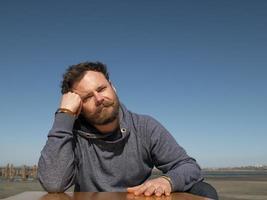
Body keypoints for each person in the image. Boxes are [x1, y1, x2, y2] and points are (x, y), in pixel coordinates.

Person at [38, 61, 218, 199]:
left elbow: (189, 167)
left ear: (113, 87)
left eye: (101, 89)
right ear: (78, 107)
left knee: (204, 190)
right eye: (86, 98)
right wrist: (64, 115)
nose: (99, 98)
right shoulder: (73, 136)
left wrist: (167, 181)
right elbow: (53, 183)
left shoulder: (145, 126)